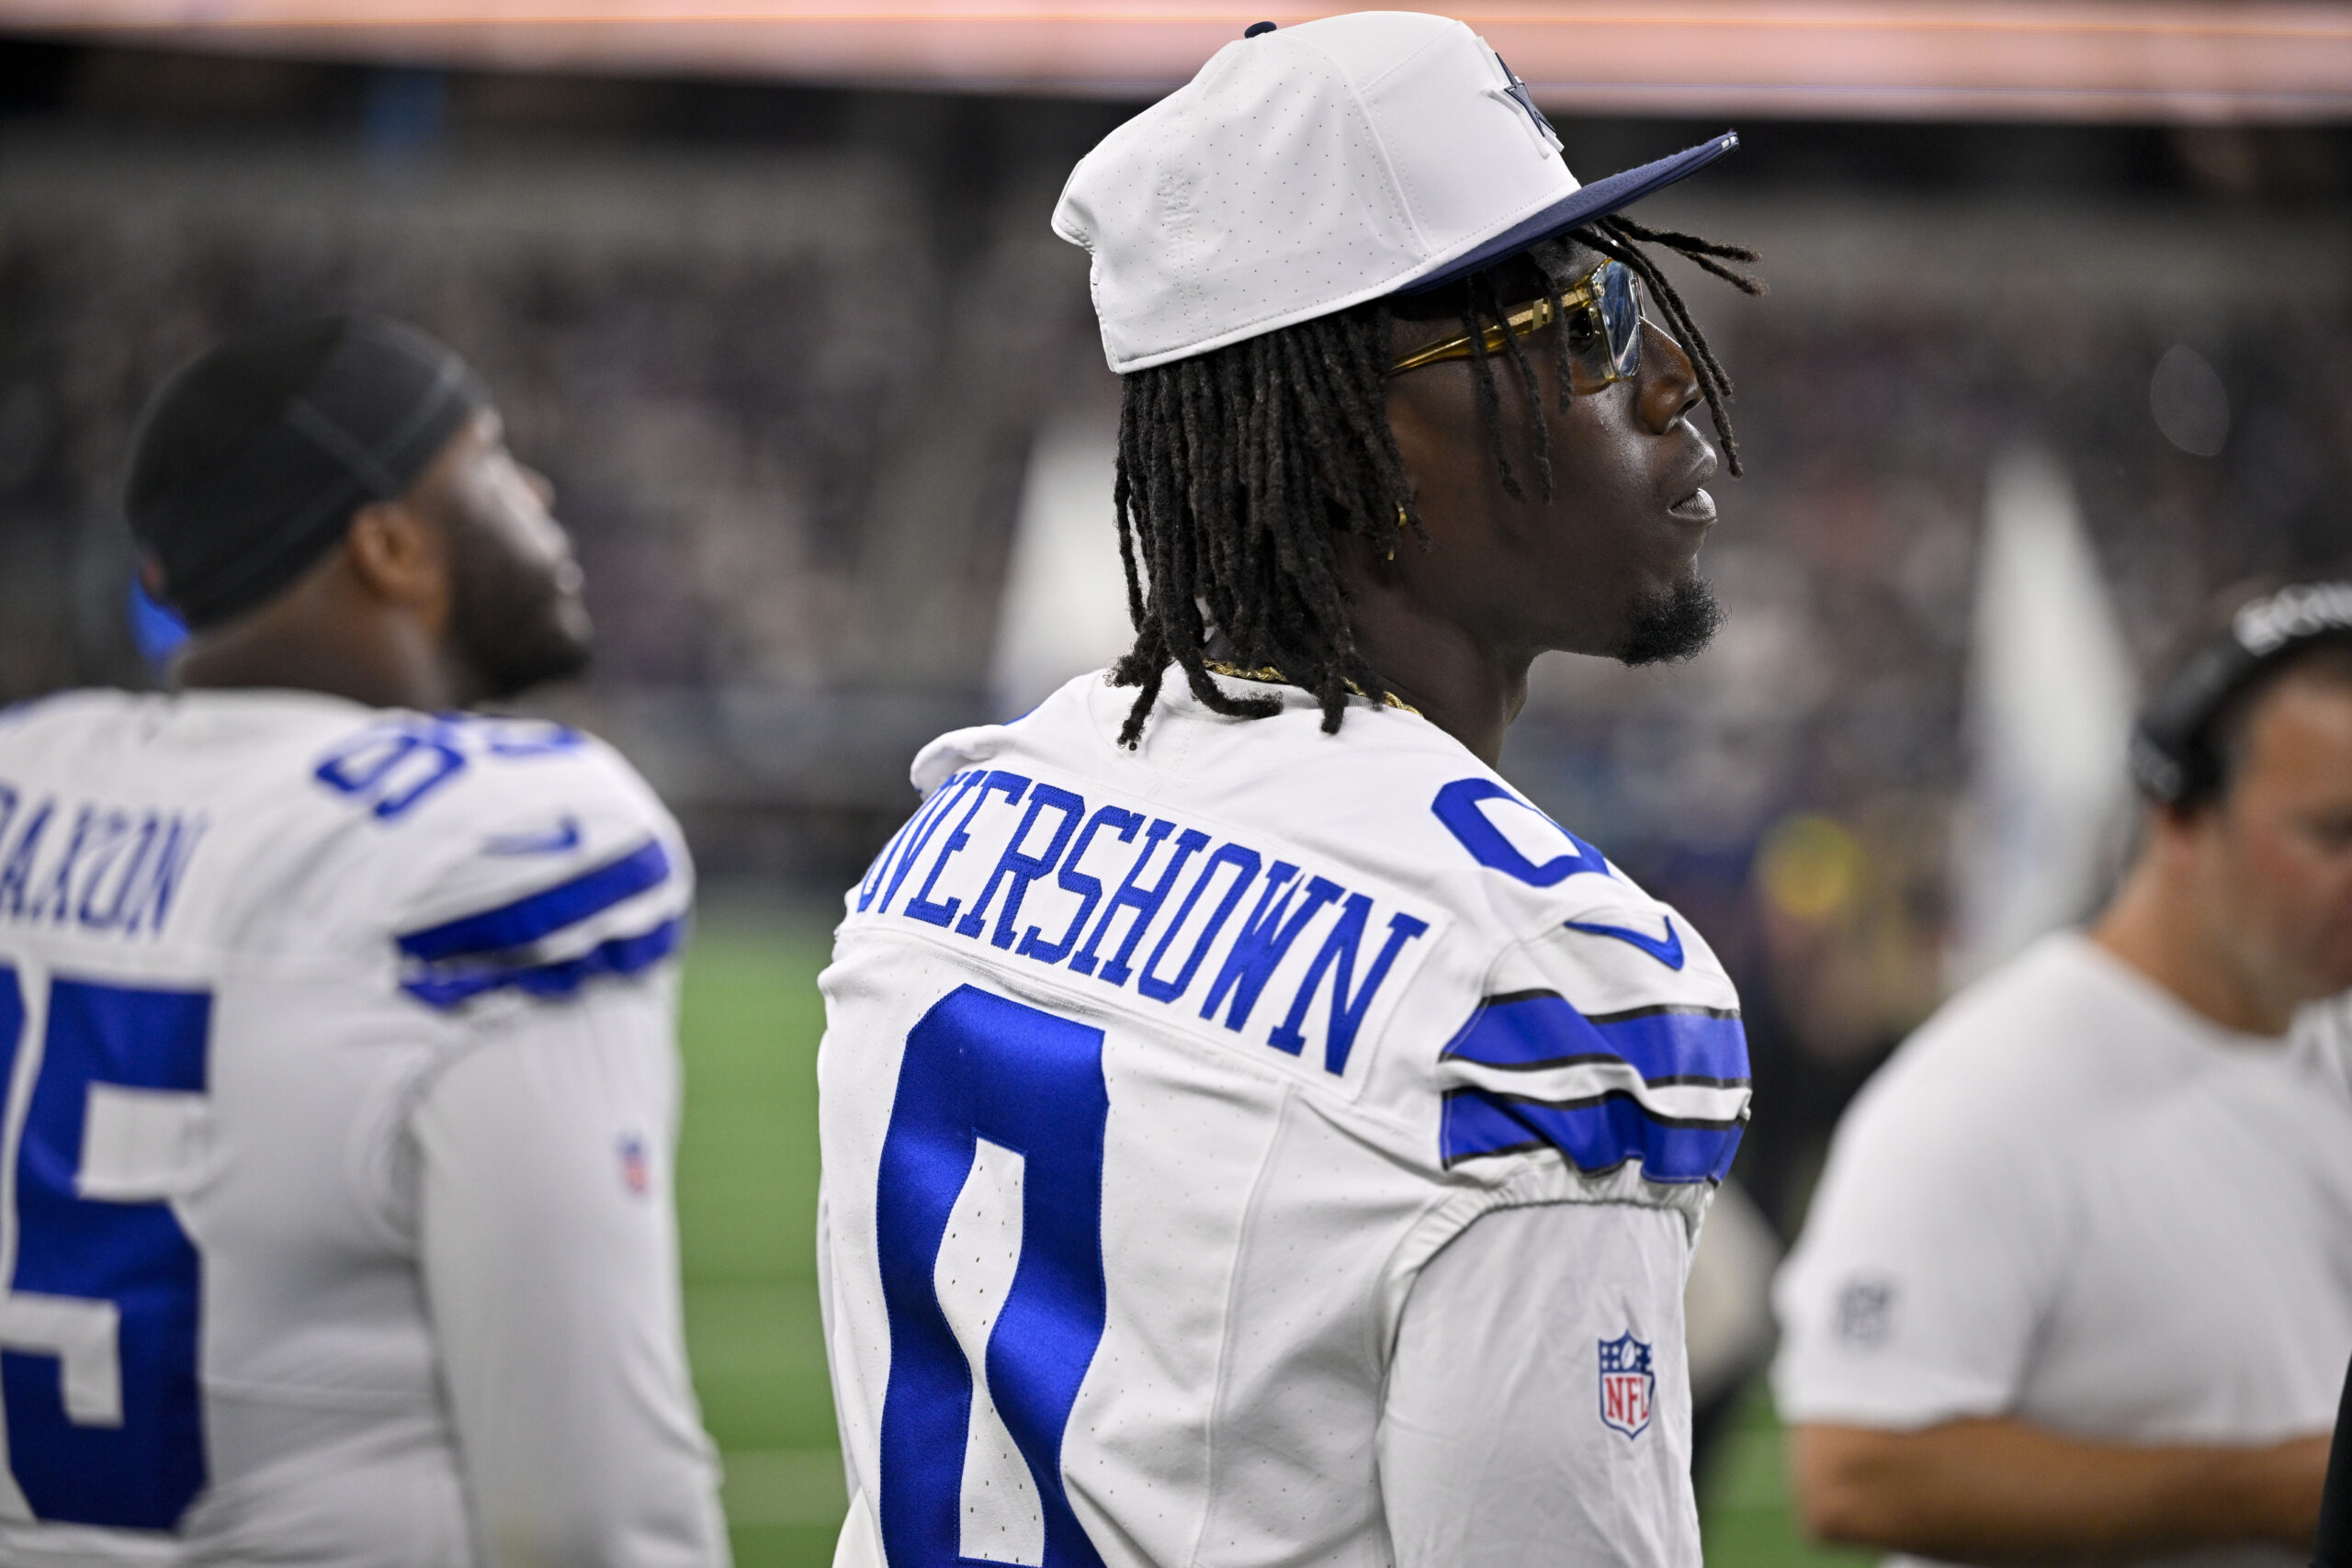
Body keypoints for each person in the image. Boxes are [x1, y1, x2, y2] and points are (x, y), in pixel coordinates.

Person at [814, 14, 1763, 1567]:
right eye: (1588, 319)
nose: (1667, 377)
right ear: (1350, 452)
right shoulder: (1537, 978)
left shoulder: (966, 818)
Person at [0, 316, 726, 1565]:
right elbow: (592, 1520)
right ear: (390, 547)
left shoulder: (30, 772)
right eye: (491, 460)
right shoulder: (502, 839)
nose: (539, 496)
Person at [1773, 579, 2352, 1568]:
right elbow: (1858, 1467)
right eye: (2333, 834)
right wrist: (2283, 1489)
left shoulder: (2321, 1038)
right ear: (2178, 818)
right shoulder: (1983, 1093)